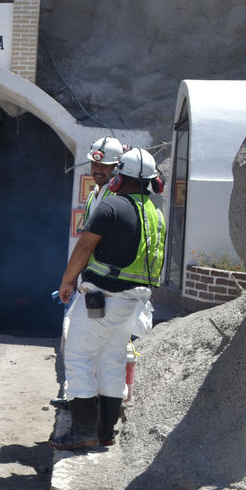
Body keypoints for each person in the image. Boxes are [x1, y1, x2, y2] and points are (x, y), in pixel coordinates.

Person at [49, 147, 166, 450]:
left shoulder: (111, 206)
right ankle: (105, 432)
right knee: (113, 361)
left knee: (79, 358)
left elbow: (85, 246)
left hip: (100, 299)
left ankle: (83, 431)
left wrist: (67, 280)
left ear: (118, 178)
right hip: (132, 304)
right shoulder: (156, 214)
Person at [51, 136, 128, 411]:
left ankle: (85, 411)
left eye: (105, 166)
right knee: (91, 348)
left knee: (85, 350)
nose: (99, 170)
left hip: (104, 287)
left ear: (117, 167)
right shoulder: (97, 194)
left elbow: (87, 244)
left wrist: (68, 279)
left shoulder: (113, 197)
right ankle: (81, 399)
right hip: (93, 283)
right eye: (96, 164)